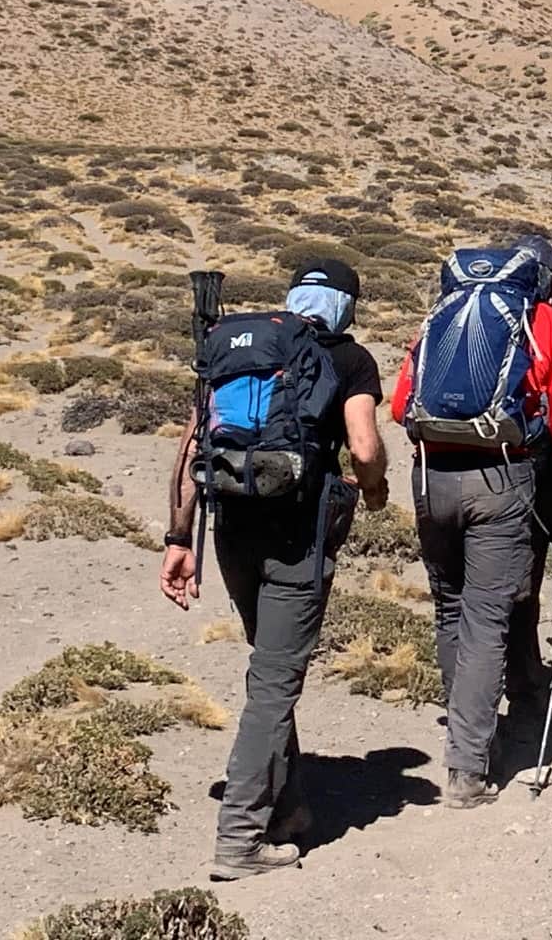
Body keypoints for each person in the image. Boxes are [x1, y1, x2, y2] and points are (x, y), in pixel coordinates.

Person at [159, 259, 388, 880]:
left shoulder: (237, 347)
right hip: (298, 540)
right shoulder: (349, 358)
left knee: (269, 669)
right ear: (347, 304)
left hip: (232, 530)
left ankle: (285, 808)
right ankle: (239, 839)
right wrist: (373, 490)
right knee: (273, 685)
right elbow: (364, 448)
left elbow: (191, 446)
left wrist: (178, 538)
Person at [390, 234, 552, 808]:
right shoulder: (546, 324)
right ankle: (468, 768)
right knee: (485, 617)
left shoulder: (439, 319)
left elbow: (401, 405)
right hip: (501, 478)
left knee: (450, 608)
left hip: (431, 476)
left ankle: (465, 734)